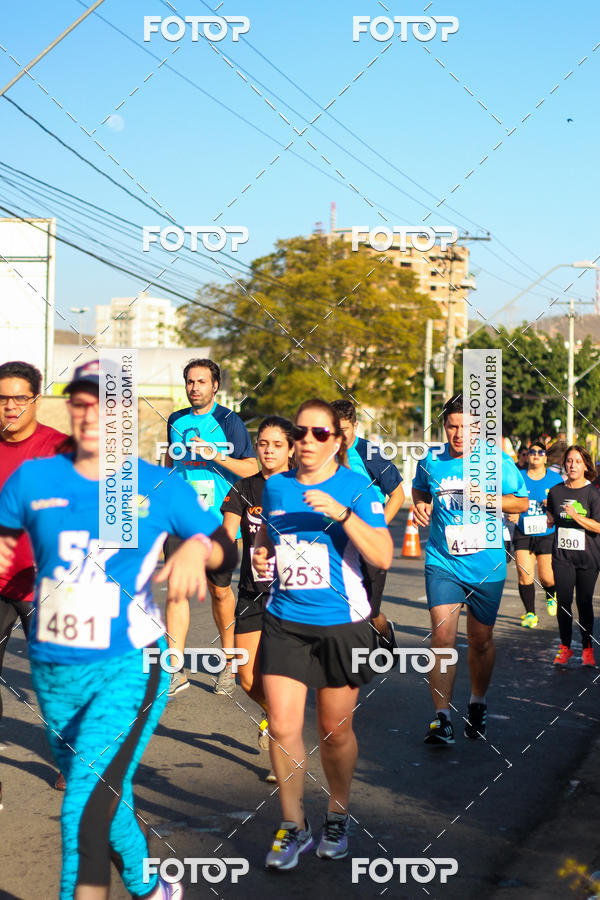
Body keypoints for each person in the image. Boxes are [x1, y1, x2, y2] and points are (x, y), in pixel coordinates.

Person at [0, 360, 236, 900]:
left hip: (128, 665)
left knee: (80, 807)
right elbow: (5, 541)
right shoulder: (34, 479)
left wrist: (199, 548)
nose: (92, 415)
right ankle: (149, 883)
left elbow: (223, 548)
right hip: (54, 668)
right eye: (82, 402)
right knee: (109, 795)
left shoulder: (158, 485)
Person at [252, 398, 393, 870]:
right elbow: (268, 537)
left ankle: (337, 812)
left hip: (341, 624)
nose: (307, 441)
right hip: (284, 620)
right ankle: (293, 825)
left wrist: (343, 514)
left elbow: (383, 556)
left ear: (338, 440)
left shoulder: (357, 487)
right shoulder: (276, 487)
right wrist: (259, 553)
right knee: (284, 725)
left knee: (334, 732)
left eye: (319, 433)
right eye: (301, 432)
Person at [412, 394, 528, 746]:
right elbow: (419, 491)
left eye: (465, 427)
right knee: (442, 638)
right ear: (444, 427)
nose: (458, 434)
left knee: (480, 641)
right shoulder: (431, 460)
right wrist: (419, 507)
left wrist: (487, 498)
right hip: (442, 561)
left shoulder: (496, 461)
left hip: (485, 565)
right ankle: (442, 719)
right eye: (452, 427)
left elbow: (521, 502)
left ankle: (477, 703)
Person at [164, 358, 257, 697]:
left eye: (201, 382)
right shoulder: (175, 420)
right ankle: (175, 670)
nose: (194, 388)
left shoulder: (229, 422)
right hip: (181, 521)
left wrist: (216, 455)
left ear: (215, 386)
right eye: (190, 381)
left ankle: (230, 661)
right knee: (176, 589)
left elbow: (250, 468)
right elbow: (170, 466)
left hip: (220, 521)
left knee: (219, 591)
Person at [0, 360, 67, 788]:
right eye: (3, 398)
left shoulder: (59, 449)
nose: (10, 407)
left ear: (36, 399)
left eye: (19, 398)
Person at [220, 415, 294, 781]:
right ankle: (275, 718)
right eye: (263, 444)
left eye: (277, 445)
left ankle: (283, 741)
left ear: (291, 449)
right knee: (246, 676)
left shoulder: (301, 487)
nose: (268, 450)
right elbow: (228, 532)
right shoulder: (244, 488)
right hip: (251, 592)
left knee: (280, 675)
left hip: (292, 596)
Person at [330, 399, 405, 646]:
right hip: (336, 544)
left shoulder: (368, 453)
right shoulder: (322, 452)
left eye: (345, 430)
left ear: (355, 426)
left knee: (369, 612)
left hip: (369, 542)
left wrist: (378, 529)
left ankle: (384, 635)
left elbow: (397, 494)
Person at [546, 445, 600, 667]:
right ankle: (565, 647)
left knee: (584, 602)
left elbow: (598, 527)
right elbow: (552, 515)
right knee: (564, 602)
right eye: (569, 460)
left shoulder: (593, 493)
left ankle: (587, 648)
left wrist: (577, 517)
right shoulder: (556, 491)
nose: (572, 465)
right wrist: (550, 519)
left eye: (578, 461)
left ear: (586, 465)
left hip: (588, 558)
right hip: (562, 557)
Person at [510, 440, 563, 627]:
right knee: (524, 575)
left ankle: (551, 594)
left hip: (547, 532)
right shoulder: (518, 477)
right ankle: (530, 614)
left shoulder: (555, 480)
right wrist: (513, 512)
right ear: (527, 455)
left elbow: (564, 505)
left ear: (546, 458)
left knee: (547, 577)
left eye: (541, 452)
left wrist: (554, 508)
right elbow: (509, 500)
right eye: (532, 451)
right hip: (523, 532)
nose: (536, 454)